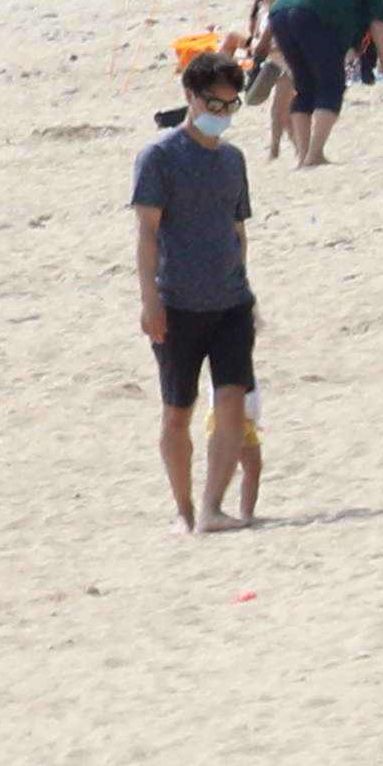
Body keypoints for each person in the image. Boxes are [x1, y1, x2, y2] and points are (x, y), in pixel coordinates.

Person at [138, 51, 262, 536]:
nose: (222, 114)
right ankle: (183, 509)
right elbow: (147, 231)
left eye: (232, 106)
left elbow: (238, 230)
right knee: (177, 412)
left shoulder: (233, 159)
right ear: (190, 96)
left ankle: (212, 507)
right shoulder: (160, 156)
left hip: (231, 300)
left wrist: (247, 293)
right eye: (215, 103)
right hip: (177, 301)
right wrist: (150, 299)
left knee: (231, 402)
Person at [267, 0, 383, 167]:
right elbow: (379, 21)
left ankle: (302, 155)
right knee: (331, 84)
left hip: (279, 14)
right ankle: (315, 154)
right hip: (315, 16)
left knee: (305, 86)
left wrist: (261, 45)